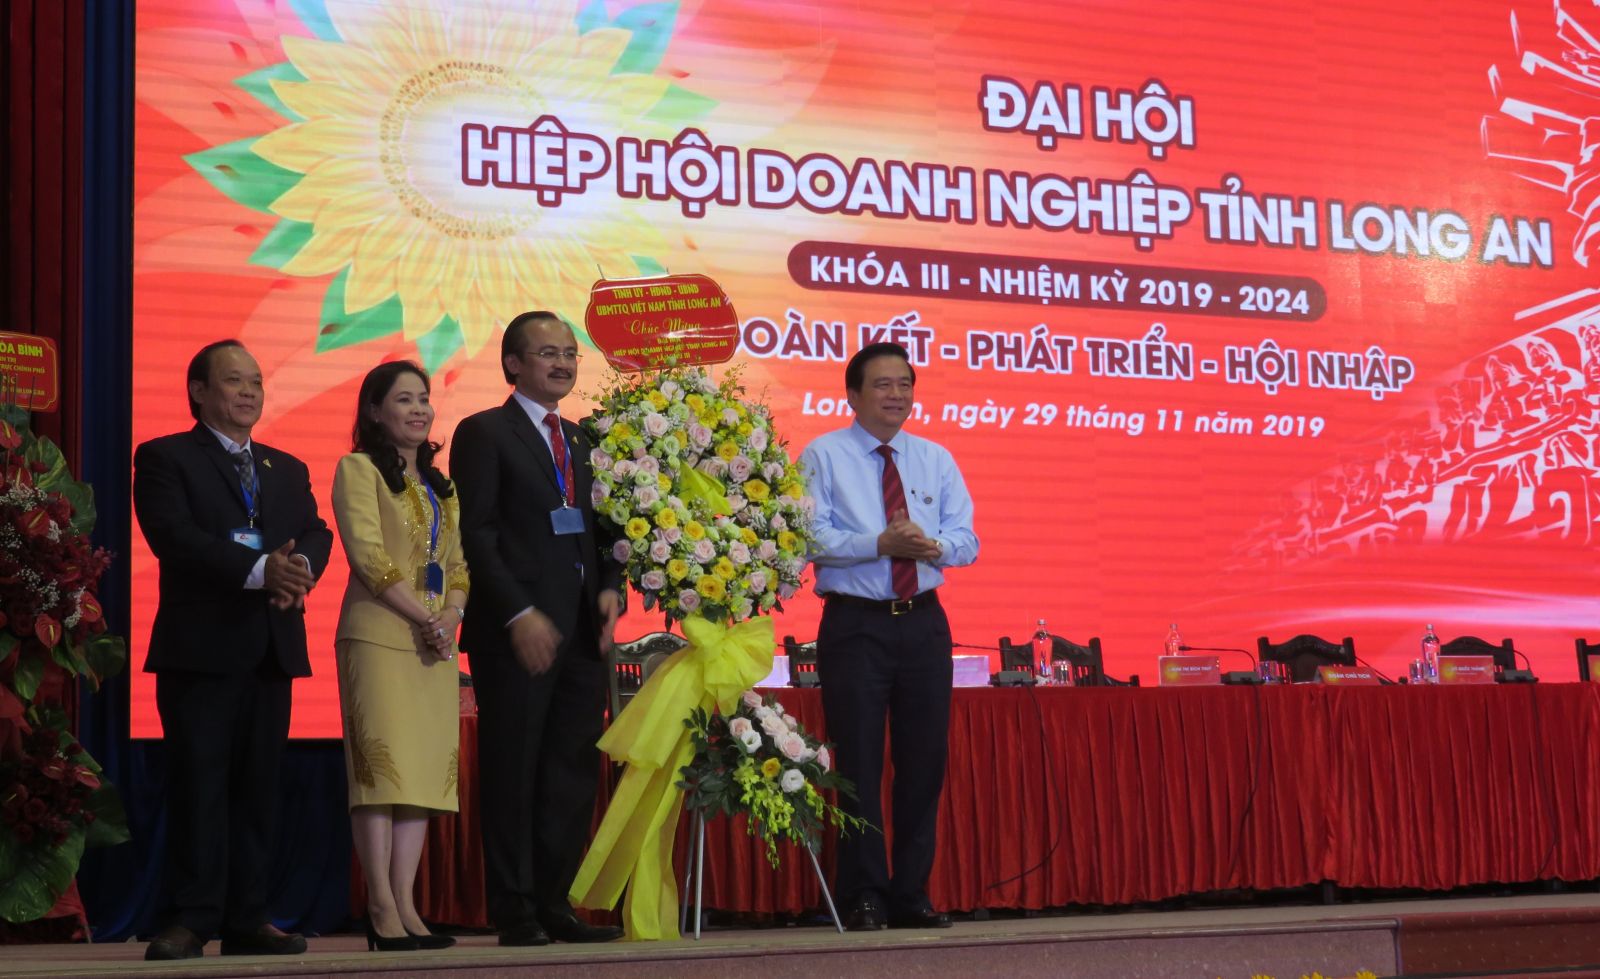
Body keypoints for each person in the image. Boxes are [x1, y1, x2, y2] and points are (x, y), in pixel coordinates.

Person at [133, 340, 332, 960]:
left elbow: (317, 531)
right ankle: (191, 918)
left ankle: (248, 917)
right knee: (200, 785)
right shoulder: (166, 457)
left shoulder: (286, 467)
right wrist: (258, 571)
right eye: (233, 381)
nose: (249, 393)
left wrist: (297, 567)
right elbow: (174, 537)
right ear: (198, 391)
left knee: (258, 789)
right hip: (202, 650)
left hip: (272, 647)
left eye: (256, 382)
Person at [450, 311, 625, 946]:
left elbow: (604, 532)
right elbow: (477, 534)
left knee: (570, 773)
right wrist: (517, 613)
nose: (563, 364)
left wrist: (611, 589)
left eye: (570, 353)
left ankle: (556, 903)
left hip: (580, 634)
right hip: (517, 633)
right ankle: (515, 908)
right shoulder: (484, 432)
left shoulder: (582, 440)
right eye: (547, 352)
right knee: (514, 769)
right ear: (513, 365)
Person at [798, 341, 979, 931]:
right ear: (852, 395)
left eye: (904, 383)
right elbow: (810, 538)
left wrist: (935, 547)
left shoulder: (934, 457)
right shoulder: (823, 455)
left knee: (923, 763)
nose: (896, 394)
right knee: (858, 764)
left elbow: (967, 541)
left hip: (924, 622)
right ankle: (864, 894)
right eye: (883, 384)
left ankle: (911, 894)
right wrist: (879, 545)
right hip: (856, 625)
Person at [331, 361, 468, 952]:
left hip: (435, 641)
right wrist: (426, 619)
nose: (419, 410)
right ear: (373, 410)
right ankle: (379, 907)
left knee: (419, 780)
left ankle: (408, 906)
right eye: (404, 399)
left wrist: (451, 617)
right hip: (380, 634)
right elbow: (367, 556)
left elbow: (459, 566)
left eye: (424, 399)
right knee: (380, 774)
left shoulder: (443, 486)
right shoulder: (357, 469)